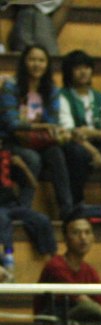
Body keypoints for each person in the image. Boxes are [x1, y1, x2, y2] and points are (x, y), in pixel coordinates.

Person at [0, 43, 75, 219]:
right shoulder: (11, 86)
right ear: (24, 62)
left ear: (47, 64)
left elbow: (53, 122)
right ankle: (23, 209)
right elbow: (11, 123)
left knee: (56, 153)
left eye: (41, 60)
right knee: (33, 158)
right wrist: (40, 126)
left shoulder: (51, 89)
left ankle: (67, 210)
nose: (36, 64)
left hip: (39, 141)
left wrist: (36, 126)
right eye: (32, 59)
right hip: (13, 141)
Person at [33, 211, 101, 324]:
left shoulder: (90, 270)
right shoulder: (55, 265)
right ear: (65, 238)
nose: (83, 238)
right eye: (76, 233)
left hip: (78, 323)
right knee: (89, 309)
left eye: (87, 232)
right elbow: (84, 301)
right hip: (51, 324)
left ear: (93, 237)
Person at [59, 49, 101, 206]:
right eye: (78, 68)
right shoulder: (62, 96)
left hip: (97, 141)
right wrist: (94, 152)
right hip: (73, 143)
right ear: (69, 72)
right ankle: (77, 202)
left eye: (86, 67)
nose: (83, 72)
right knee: (78, 153)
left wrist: (89, 132)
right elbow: (70, 131)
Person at [0, 141, 57, 276]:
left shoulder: (8, 161)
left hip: (13, 206)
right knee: (2, 219)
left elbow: (33, 185)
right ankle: (8, 259)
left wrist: (23, 166)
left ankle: (51, 261)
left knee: (42, 219)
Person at [6, 0, 72, 56]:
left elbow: (65, 5)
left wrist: (49, 32)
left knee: (50, 56)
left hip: (45, 18)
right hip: (24, 14)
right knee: (22, 55)